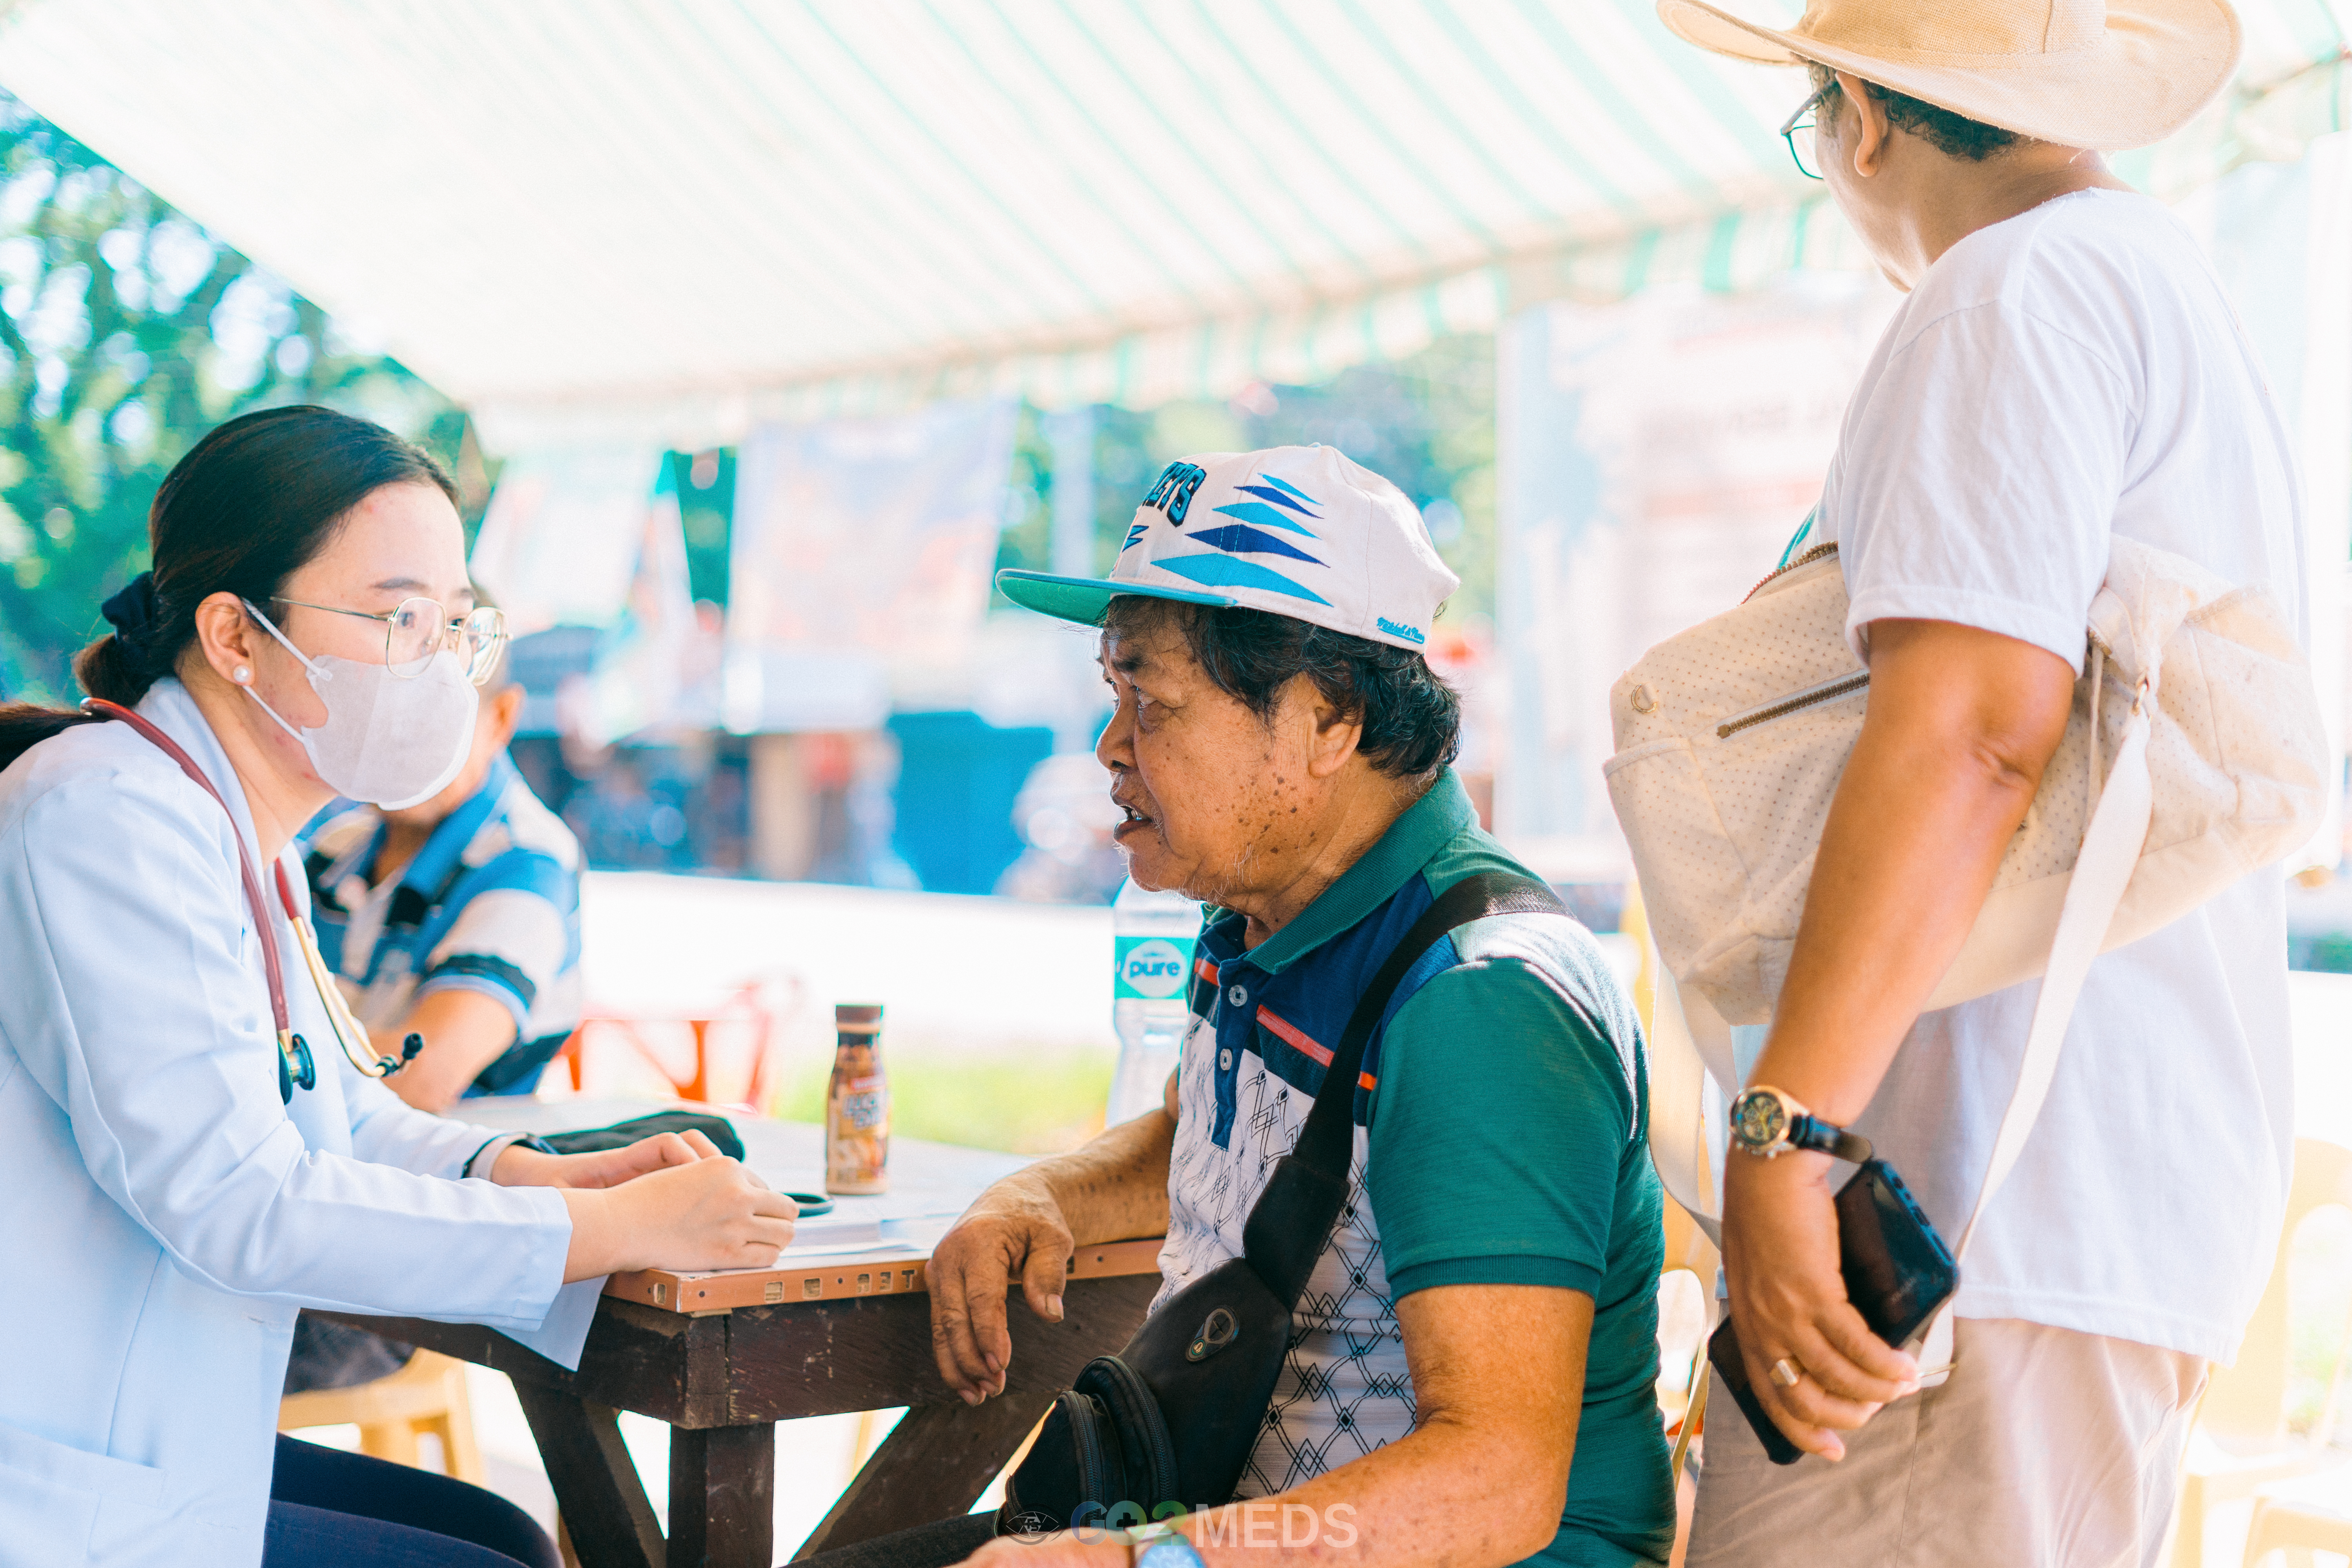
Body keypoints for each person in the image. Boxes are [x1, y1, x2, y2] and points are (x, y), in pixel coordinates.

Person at [1651, 3, 2298, 1564]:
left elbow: (1972, 729)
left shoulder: (2008, 292)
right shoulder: (2158, 285)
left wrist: (1788, 1126)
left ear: (1859, 121)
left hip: (1976, 1208)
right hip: (2071, 1214)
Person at [830, 445, 1675, 1568]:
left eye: (1155, 703)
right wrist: (1043, 1195)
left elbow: (1494, 1481)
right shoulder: (1265, 913)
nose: (1110, 746)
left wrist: (1152, 1562)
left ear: (1328, 720)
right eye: (1113, 693)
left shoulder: (1484, 1003)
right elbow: (1215, 1138)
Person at [0, 405, 799, 1568]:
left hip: (149, 1438)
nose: (434, 661)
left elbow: (345, 1105)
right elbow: (238, 1198)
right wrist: (605, 1225)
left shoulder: (239, 828)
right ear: (235, 633)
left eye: (453, 622)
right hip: (64, 1483)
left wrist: (531, 1172)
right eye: (396, 618)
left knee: (502, 1535)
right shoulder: (108, 817)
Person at [299, 635, 583, 1114]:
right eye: (380, 718)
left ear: (500, 717)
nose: (401, 746)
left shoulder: (528, 863)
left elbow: (424, 1074)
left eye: (436, 720)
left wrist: (257, 1055)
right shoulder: (334, 847)